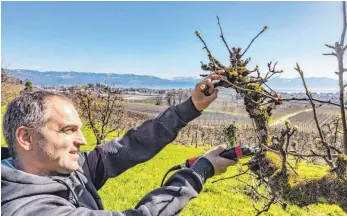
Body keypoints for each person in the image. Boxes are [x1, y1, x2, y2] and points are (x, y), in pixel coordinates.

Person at [1, 73, 237, 216]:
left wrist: (190, 107)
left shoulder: (61, 169)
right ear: (26, 138)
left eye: (80, 129)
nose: (82, 140)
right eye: (68, 130)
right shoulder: (26, 209)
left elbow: (128, 146)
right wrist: (200, 171)